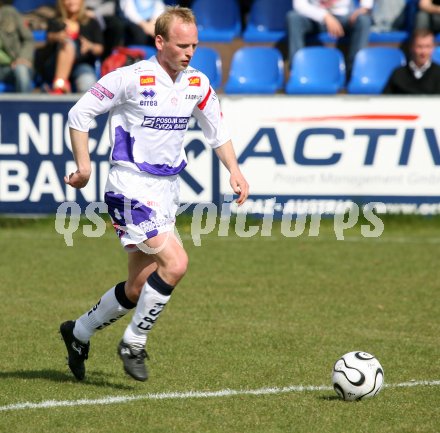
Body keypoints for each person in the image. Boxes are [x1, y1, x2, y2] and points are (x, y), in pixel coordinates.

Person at [60, 5, 249, 382]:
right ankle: (134, 341)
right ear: (159, 41)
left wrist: (235, 170)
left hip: (166, 192)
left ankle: (78, 332)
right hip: (129, 188)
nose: (189, 52)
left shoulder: (197, 82)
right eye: (182, 45)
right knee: (176, 264)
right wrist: (84, 166)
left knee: (138, 286)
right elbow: (79, 115)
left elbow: (218, 131)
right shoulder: (130, 78)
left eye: (194, 45)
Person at [286, 0, 374, 73]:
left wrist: (365, 7)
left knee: (363, 20)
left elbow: (366, 7)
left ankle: (355, 73)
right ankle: (297, 71)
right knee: (293, 18)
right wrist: (325, 16)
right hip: (314, 17)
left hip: (345, 16)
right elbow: (299, 5)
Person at [36, 0, 104, 94]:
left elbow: (99, 48)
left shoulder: (91, 23)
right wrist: (57, 36)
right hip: (55, 65)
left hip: (81, 64)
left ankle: (59, 85)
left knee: (87, 82)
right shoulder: (56, 21)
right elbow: (48, 37)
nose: (71, 2)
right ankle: (60, 84)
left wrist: (90, 46)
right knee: (67, 44)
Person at [383, 29, 440, 94]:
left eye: (427, 46)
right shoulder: (398, 74)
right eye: (419, 46)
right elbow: (385, 100)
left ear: (433, 48)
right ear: (411, 47)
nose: (423, 52)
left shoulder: (438, 73)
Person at [0, 0, 34, 92]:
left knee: (21, 69)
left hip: (12, 67)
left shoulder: (9, 12)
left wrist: (22, 58)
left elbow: (28, 39)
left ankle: (26, 105)